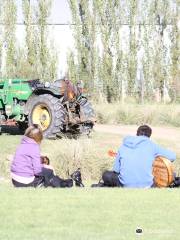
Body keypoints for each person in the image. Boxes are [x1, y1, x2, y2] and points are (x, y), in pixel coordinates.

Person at [102, 125, 176, 188]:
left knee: (106, 174)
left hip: (125, 185)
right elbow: (172, 156)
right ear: (149, 136)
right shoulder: (152, 145)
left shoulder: (123, 145)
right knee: (173, 174)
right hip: (148, 185)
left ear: (137, 134)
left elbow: (116, 170)